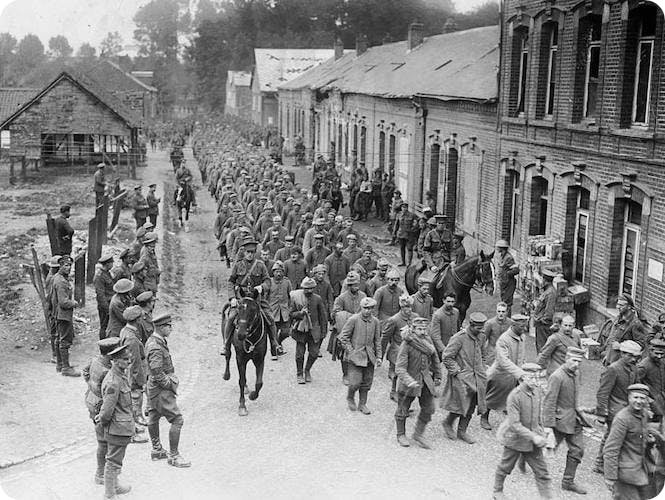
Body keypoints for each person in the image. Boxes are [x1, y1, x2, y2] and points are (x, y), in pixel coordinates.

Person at [493, 363, 552, 500]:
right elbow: (515, 424)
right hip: (515, 439)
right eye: (531, 378)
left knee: (542, 472)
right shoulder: (515, 396)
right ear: (523, 378)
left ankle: (547, 497)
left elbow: (538, 416)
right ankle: (497, 491)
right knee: (505, 467)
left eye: (536, 377)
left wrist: (543, 432)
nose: (535, 381)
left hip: (532, 440)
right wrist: (534, 437)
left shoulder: (537, 392)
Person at [83, 337, 129, 492]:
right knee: (105, 443)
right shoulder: (106, 372)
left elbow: (85, 373)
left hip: (91, 401)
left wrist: (91, 386)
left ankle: (102, 474)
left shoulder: (94, 361)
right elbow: (109, 397)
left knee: (102, 442)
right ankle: (103, 476)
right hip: (100, 407)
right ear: (111, 355)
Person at [224, 237, 283, 357]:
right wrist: (232, 298)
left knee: (270, 318)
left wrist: (262, 287)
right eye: (248, 252)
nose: (250, 255)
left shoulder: (260, 265)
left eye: (252, 252)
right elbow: (230, 282)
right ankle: (226, 344)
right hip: (241, 299)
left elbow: (268, 281)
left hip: (257, 300)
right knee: (231, 317)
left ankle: (274, 344)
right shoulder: (238, 265)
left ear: (255, 252)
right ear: (244, 252)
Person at [145, 313, 191, 467]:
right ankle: (174, 455)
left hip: (153, 388)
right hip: (160, 389)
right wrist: (169, 384)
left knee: (153, 416)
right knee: (177, 420)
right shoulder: (156, 346)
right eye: (168, 326)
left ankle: (157, 450)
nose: (171, 328)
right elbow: (157, 371)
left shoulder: (153, 341)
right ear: (161, 327)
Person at [541, 346, 588, 494]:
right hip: (559, 421)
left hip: (573, 420)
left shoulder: (576, 373)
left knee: (577, 449)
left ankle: (568, 482)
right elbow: (549, 401)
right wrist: (548, 426)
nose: (576, 364)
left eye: (579, 362)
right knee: (548, 447)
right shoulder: (557, 376)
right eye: (574, 360)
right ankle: (526, 458)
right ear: (566, 359)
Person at [594, 340, 642, 474]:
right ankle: (600, 463)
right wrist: (601, 413)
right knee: (611, 437)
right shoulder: (613, 369)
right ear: (622, 354)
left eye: (636, 357)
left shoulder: (634, 368)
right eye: (630, 356)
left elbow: (636, 388)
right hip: (614, 409)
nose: (633, 359)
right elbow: (603, 393)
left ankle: (610, 462)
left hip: (627, 408)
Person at [441, 312, 488, 445]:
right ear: (471, 325)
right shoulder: (459, 338)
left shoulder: (482, 336)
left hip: (478, 377)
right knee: (460, 404)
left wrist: (483, 368)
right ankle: (448, 423)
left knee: (472, 405)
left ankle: (462, 431)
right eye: (478, 328)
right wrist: (456, 371)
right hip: (462, 378)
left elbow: (483, 354)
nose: (480, 331)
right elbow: (447, 356)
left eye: (482, 328)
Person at [394, 317, 442, 448]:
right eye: (419, 329)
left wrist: (438, 374)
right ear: (413, 330)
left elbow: (435, 358)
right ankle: (401, 434)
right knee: (402, 409)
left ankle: (418, 434)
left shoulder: (427, 340)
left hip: (425, 380)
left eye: (424, 329)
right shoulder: (406, 344)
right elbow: (399, 367)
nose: (422, 332)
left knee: (429, 408)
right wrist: (408, 380)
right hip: (409, 382)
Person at [96, 343, 135, 499]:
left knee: (116, 460)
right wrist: (107, 427)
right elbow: (106, 411)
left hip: (121, 426)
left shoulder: (120, 375)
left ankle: (115, 486)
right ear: (115, 361)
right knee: (112, 462)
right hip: (117, 428)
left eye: (129, 359)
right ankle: (110, 495)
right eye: (125, 359)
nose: (129, 362)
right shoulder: (113, 381)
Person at [603, 383, 652, 500]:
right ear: (629, 398)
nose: (639, 401)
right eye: (635, 397)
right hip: (624, 473)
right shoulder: (622, 419)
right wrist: (610, 477)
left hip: (639, 470)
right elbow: (611, 449)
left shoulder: (644, 414)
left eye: (642, 398)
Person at [483, 314, 529, 431]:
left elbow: (522, 355)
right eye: (521, 327)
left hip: (515, 374)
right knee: (492, 398)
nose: (523, 329)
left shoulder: (522, 337)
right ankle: (484, 417)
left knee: (517, 398)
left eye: (524, 326)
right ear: (513, 325)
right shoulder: (504, 339)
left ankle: (514, 422)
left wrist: (524, 368)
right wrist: (520, 373)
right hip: (500, 375)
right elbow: (504, 361)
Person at [338, 297, 382, 414]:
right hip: (355, 358)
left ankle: (362, 404)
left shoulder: (376, 322)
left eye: (370, 308)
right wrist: (351, 351)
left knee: (367, 382)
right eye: (365, 308)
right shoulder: (354, 319)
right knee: (355, 382)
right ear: (361, 308)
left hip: (369, 357)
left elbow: (377, 340)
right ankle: (350, 396)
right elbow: (343, 337)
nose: (367, 311)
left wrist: (379, 357)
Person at [119, 305, 149, 444]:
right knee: (136, 395)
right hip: (134, 371)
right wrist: (140, 378)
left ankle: (136, 420)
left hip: (131, 370)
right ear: (137, 320)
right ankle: (137, 419)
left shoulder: (125, 331)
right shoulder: (131, 337)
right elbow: (135, 361)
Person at [330, 271, 366, 385]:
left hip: (360, 327)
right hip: (345, 328)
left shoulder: (363, 296)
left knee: (360, 350)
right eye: (352, 285)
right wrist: (349, 317)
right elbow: (335, 313)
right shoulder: (341, 298)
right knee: (344, 353)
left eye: (357, 284)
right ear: (348, 286)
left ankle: (357, 374)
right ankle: (345, 374)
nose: (355, 287)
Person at [290, 277, 328, 384]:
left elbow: (323, 316)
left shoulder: (318, 299)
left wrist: (324, 331)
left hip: (314, 330)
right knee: (299, 354)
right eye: (307, 288)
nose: (309, 290)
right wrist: (300, 314)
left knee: (314, 353)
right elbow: (291, 314)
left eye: (312, 288)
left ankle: (307, 370)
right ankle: (299, 374)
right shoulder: (296, 298)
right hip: (301, 331)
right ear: (303, 288)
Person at [381, 294, 417, 401]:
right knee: (396, 373)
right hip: (397, 349)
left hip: (411, 350)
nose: (408, 309)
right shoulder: (394, 320)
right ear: (401, 307)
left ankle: (404, 393)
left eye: (410, 307)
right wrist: (380, 355)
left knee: (409, 372)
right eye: (406, 307)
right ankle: (393, 391)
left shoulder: (415, 317)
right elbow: (385, 337)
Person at [52, 255, 80, 376]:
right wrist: (74, 303)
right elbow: (63, 302)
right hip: (63, 314)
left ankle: (60, 364)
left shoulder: (58, 278)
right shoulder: (61, 282)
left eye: (70, 265)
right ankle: (66, 368)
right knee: (65, 340)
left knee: (59, 338)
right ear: (61, 265)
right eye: (66, 265)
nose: (68, 268)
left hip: (58, 313)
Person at [602, 293, 647, 366]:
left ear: (629, 307)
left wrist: (621, 346)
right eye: (618, 304)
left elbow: (641, 344)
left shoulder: (635, 324)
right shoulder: (618, 318)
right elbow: (613, 338)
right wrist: (608, 355)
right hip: (611, 359)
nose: (617, 307)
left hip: (624, 363)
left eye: (621, 305)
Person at [637, 338, 665, 422]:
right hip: (650, 403)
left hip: (661, 400)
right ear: (650, 351)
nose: (659, 356)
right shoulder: (643, 366)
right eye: (656, 353)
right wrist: (648, 400)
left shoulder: (662, 362)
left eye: (662, 354)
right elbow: (636, 384)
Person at [268, 261, 292, 357]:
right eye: (276, 271)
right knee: (273, 332)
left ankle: (278, 343)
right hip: (273, 312)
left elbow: (291, 296)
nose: (278, 273)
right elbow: (265, 297)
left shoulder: (287, 282)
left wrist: (290, 308)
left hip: (284, 312)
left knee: (286, 332)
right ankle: (274, 352)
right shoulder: (269, 282)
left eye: (281, 271)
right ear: (273, 272)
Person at [533, 269, 557, 353]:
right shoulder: (547, 292)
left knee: (542, 348)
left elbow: (549, 313)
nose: (541, 282)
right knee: (539, 346)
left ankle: (541, 365)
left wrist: (541, 321)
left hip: (543, 326)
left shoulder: (551, 293)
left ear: (546, 281)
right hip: (540, 325)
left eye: (542, 280)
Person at [430, 292, 460, 357]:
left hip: (454, 347)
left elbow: (458, 329)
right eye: (448, 301)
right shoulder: (437, 315)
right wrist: (443, 350)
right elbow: (435, 336)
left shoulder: (456, 312)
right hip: (443, 349)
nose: (450, 304)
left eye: (452, 302)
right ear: (443, 301)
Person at [484, 302, 513, 366]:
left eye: (503, 312)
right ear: (496, 312)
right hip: (492, 354)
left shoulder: (511, 323)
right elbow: (483, 339)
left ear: (507, 312)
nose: (501, 314)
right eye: (499, 311)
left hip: (506, 353)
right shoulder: (490, 323)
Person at [94, 254, 115, 340]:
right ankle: (103, 345)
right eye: (111, 262)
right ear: (107, 264)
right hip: (105, 306)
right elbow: (100, 295)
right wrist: (107, 309)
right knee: (104, 326)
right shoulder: (99, 276)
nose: (113, 264)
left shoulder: (107, 273)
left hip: (110, 303)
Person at [495, 240, 519, 316]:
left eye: (501, 250)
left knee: (507, 303)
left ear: (504, 249)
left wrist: (507, 273)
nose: (500, 252)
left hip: (509, 283)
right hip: (503, 283)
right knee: (503, 302)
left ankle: (507, 319)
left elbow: (516, 270)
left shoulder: (509, 258)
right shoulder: (502, 256)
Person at [45, 255, 61, 363]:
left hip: (55, 307)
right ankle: (55, 355)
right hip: (53, 308)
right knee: (55, 332)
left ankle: (57, 354)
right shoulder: (52, 279)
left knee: (57, 332)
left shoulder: (54, 277)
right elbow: (51, 297)